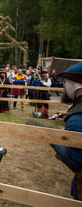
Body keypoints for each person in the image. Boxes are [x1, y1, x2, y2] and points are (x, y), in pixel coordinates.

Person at [51, 62, 82, 200]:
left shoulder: (78, 117)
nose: (64, 87)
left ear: (75, 85)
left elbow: (74, 159)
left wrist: (52, 136)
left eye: (65, 82)